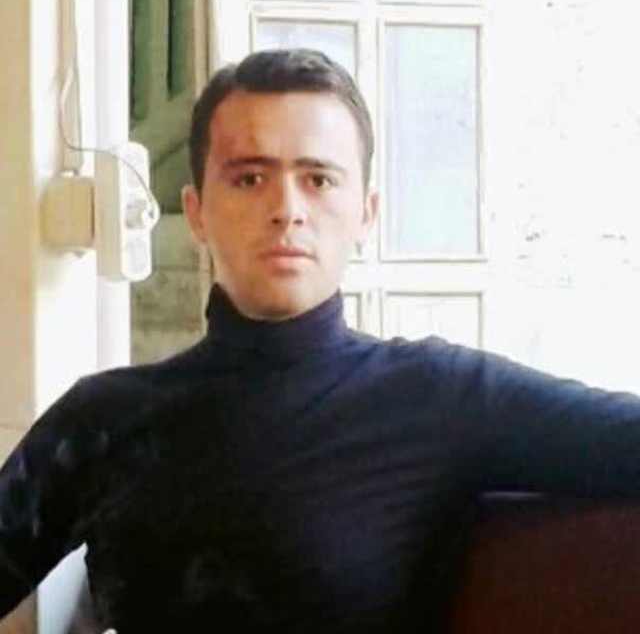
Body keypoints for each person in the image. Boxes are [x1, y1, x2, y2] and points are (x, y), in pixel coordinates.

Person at [1, 48, 640, 633]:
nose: (287, 209)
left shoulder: (435, 397)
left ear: (366, 212)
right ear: (196, 211)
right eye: (249, 178)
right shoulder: (102, 420)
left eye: (319, 179)